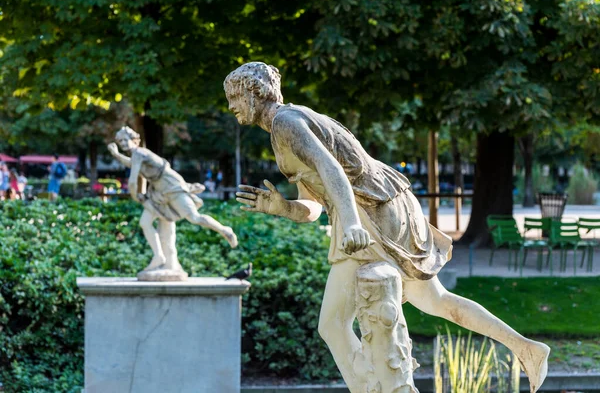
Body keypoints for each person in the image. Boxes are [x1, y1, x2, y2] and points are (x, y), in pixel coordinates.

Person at [225, 62, 549, 393]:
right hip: (379, 206)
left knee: (333, 325)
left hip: (370, 210)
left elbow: (332, 170)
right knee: (435, 301)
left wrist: (351, 223)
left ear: (256, 92)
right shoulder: (287, 127)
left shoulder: (286, 123)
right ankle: (525, 347)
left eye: (234, 96)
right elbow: (313, 205)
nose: (231, 106)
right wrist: (282, 208)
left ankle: (376, 389)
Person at [107, 127, 238, 272]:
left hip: (171, 186)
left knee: (194, 218)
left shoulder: (139, 152)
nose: (123, 143)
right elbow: (131, 163)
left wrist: (135, 196)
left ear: (134, 140)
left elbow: (132, 181)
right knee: (145, 222)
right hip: (158, 192)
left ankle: (225, 230)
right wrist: (116, 154)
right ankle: (159, 257)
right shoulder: (137, 156)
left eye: (125, 140)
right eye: (120, 142)